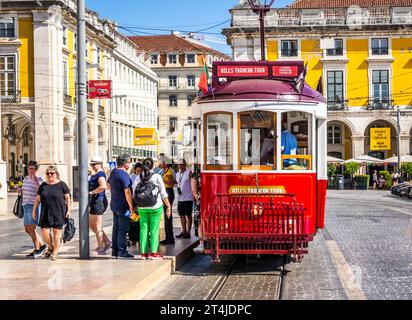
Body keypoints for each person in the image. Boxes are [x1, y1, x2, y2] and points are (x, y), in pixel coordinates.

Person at [132, 158, 171, 260]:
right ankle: (154, 253)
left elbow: (134, 192)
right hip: (155, 207)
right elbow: (163, 193)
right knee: (154, 230)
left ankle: (143, 253)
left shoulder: (138, 177)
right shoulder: (157, 176)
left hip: (142, 208)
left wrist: (135, 206)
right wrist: (168, 206)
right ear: (153, 166)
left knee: (143, 229)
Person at [32, 166, 71, 261]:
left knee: (57, 233)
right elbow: (37, 199)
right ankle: (50, 246)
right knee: (44, 232)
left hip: (59, 212)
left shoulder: (62, 185)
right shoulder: (43, 186)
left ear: (56, 174)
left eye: (52, 173)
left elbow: (68, 198)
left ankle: (55, 252)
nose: (50, 175)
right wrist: (34, 210)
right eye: (48, 173)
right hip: (46, 212)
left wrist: (69, 210)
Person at [107, 154, 135, 259]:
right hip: (123, 206)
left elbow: (108, 183)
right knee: (123, 229)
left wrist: (114, 193)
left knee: (116, 227)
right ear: (125, 164)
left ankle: (115, 250)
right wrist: (131, 206)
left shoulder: (113, 172)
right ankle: (122, 251)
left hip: (114, 204)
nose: (129, 164)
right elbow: (127, 191)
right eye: (129, 162)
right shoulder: (123, 174)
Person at [22, 160, 47, 259]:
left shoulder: (40, 179)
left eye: (32, 169)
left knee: (31, 228)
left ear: (36, 169)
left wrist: (36, 181)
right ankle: (42, 245)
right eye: (29, 168)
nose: (30, 170)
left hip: (33, 206)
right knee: (27, 229)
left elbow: (41, 192)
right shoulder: (25, 178)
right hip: (25, 205)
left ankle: (37, 249)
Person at [88, 156, 111, 255]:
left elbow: (103, 186)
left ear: (100, 164)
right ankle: (107, 242)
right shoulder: (96, 174)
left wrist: (92, 192)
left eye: (94, 164)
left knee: (97, 226)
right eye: (91, 164)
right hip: (95, 202)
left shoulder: (100, 174)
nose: (92, 166)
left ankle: (101, 248)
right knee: (91, 225)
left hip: (99, 201)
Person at [158, 156, 176, 245]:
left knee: (168, 215)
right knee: (166, 216)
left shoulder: (169, 171)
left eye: (161, 162)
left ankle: (170, 238)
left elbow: (171, 183)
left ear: (165, 163)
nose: (159, 163)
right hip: (166, 191)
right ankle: (168, 237)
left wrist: (162, 181)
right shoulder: (164, 171)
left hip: (168, 192)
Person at [175, 159, 194, 239]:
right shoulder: (177, 174)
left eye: (181, 164)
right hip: (180, 198)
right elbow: (177, 183)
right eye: (178, 164)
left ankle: (188, 232)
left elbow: (193, 183)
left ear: (185, 165)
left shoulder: (189, 172)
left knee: (188, 215)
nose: (180, 166)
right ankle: (183, 231)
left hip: (188, 197)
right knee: (181, 215)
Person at [192, 169, 204, 254]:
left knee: (200, 221)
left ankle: (201, 243)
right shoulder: (196, 173)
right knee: (201, 220)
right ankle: (201, 242)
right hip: (209, 198)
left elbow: (193, 190)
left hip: (201, 199)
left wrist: (198, 199)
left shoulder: (196, 173)